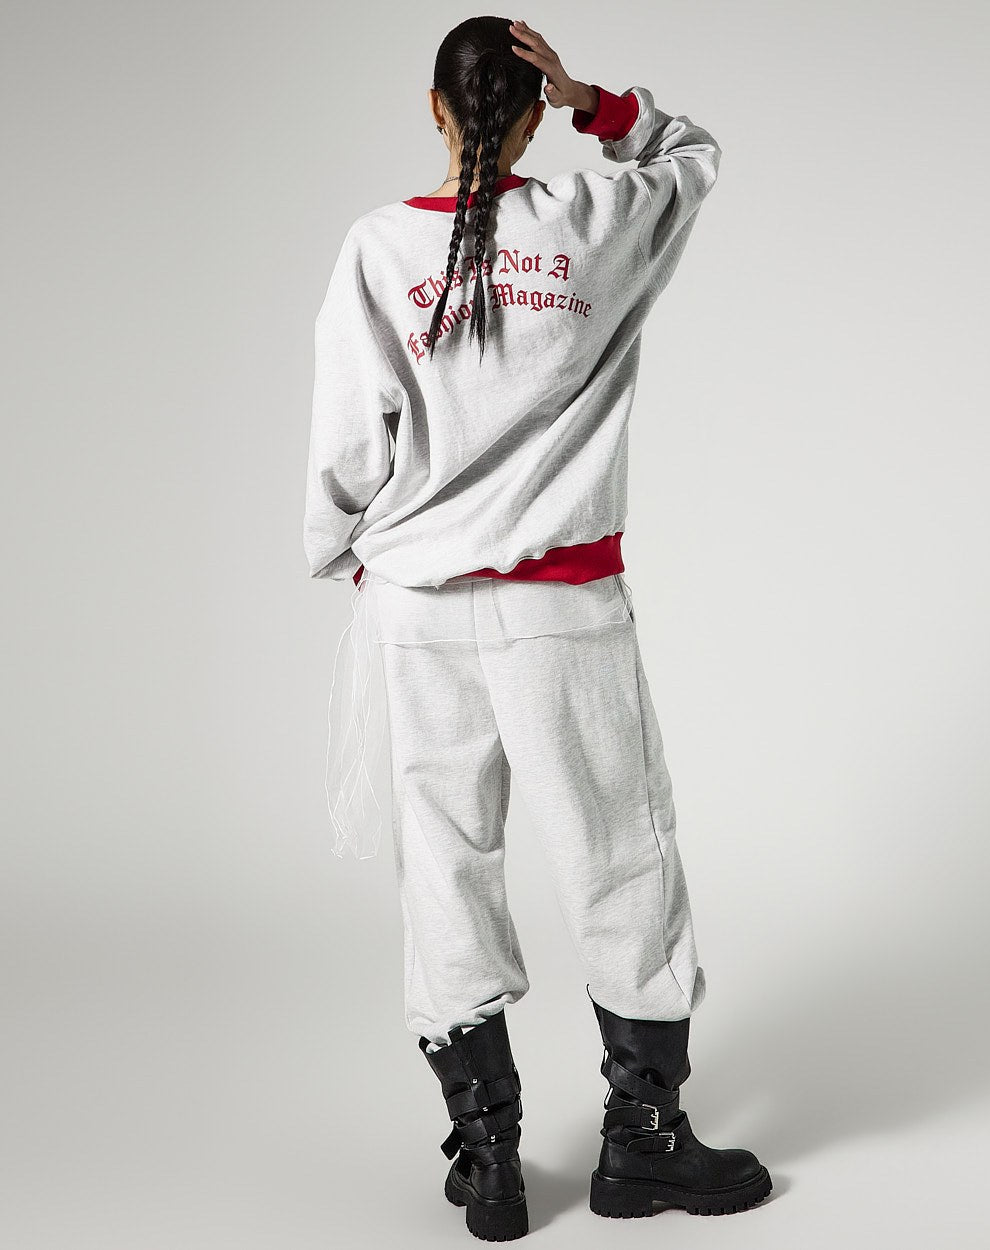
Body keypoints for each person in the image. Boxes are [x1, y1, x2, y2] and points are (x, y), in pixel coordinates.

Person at [303, 15, 771, 1242]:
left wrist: (351, 548)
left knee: (445, 861)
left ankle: (490, 1157)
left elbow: (346, 440)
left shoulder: (377, 246)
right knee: (619, 852)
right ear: (530, 112)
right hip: (561, 602)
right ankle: (643, 1141)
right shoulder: (592, 219)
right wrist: (594, 101)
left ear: (434, 109)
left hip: (415, 605)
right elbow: (691, 153)